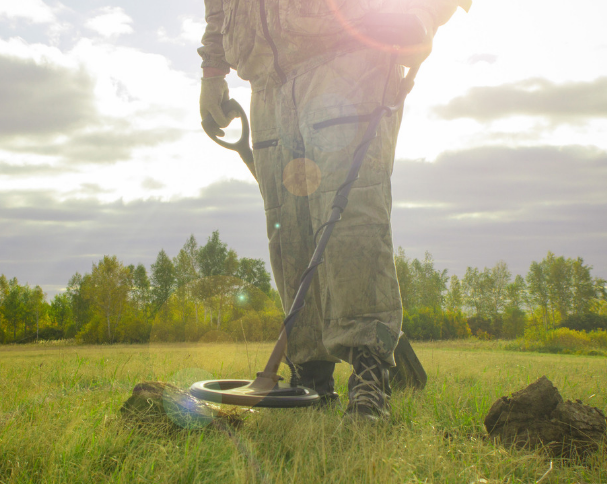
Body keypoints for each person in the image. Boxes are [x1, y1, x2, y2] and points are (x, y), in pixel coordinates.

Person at [198, 0, 469, 420]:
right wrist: (213, 70)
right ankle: (310, 376)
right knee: (288, 232)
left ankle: (369, 376)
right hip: (266, 79)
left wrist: (425, 13)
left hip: (349, 55)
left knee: (352, 222)